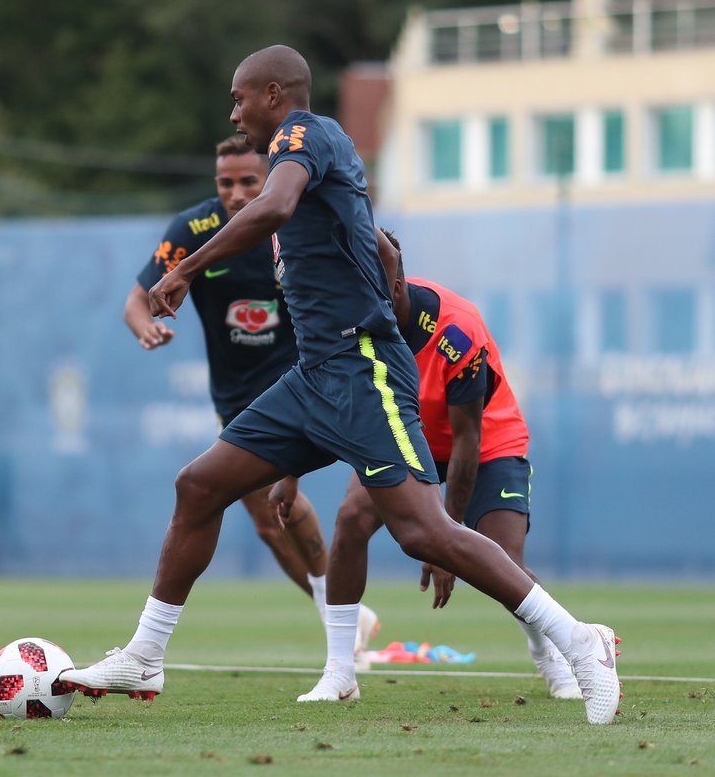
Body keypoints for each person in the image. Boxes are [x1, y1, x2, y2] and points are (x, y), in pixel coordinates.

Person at [57, 45, 620, 725]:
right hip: (313, 376)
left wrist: (185, 269)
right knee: (198, 486)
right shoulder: (303, 158)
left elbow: (274, 206)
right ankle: (145, 654)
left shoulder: (303, 135)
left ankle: (578, 641)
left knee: (423, 532)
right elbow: (342, 230)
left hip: (361, 366)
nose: (234, 113)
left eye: (239, 99)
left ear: (273, 94)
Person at [288, 228, 581, 701]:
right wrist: (288, 472)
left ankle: (551, 654)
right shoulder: (348, 322)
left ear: (396, 285)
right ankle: (340, 671)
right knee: (350, 518)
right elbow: (315, 399)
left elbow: (467, 439)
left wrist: (447, 536)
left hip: (487, 442)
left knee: (504, 561)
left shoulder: (456, 330)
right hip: (404, 437)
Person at [125, 134, 378, 661]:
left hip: (295, 383)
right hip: (233, 396)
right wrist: (145, 327)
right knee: (267, 522)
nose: (237, 193)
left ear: (269, 179)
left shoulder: (289, 223)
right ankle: (339, 611)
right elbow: (137, 300)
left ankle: (339, 613)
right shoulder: (194, 229)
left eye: (248, 181)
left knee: (280, 497)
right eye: (226, 183)